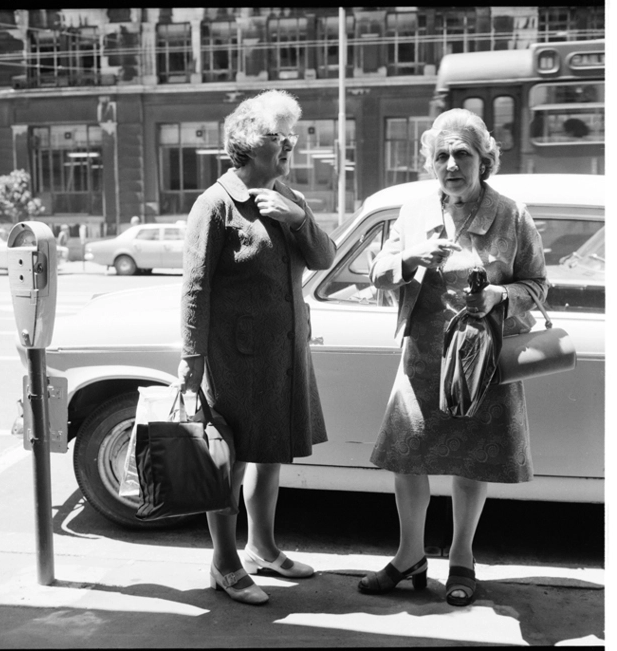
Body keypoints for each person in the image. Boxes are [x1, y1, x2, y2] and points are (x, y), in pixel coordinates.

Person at [359, 108, 548, 606]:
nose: (450, 164)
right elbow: (378, 273)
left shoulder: (511, 215)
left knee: (471, 462)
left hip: (482, 363)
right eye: (440, 155)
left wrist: (500, 296)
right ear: (430, 163)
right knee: (407, 459)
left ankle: (462, 559)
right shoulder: (413, 212)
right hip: (423, 358)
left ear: (485, 159)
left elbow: (538, 284)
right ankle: (408, 556)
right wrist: (407, 259)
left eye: (462, 153)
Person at [177, 90, 336, 606]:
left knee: (272, 454)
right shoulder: (215, 204)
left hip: (285, 353)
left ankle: (262, 548)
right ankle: (224, 563)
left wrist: (296, 218)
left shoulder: (288, 197)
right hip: (235, 359)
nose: (289, 145)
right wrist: (190, 365)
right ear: (247, 143)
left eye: (292, 136)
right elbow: (195, 290)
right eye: (278, 137)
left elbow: (323, 257)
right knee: (230, 460)